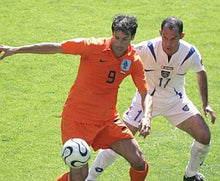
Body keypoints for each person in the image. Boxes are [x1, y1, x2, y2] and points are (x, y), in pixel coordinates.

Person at [0, 14, 153, 181]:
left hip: (107, 120)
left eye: (125, 39)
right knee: (79, 176)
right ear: (112, 34)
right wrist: (16, 50)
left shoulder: (133, 59)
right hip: (76, 119)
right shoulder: (93, 46)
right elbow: (55, 47)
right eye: (117, 37)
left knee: (138, 161)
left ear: (132, 38)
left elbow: (145, 92)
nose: (119, 43)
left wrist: (146, 117)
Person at [86, 17, 216, 181]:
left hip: (175, 101)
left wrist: (205, 104)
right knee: (116, 141)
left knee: (204, 135)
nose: (168, 44)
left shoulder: (190, 53)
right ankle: (90, 178)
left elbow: (200, 72)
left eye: (173, 38)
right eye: (165, 37)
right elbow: (121, 58)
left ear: (181, 36)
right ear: (160, 33)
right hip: (144, 101)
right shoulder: (146, 49)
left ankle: (190, 175)